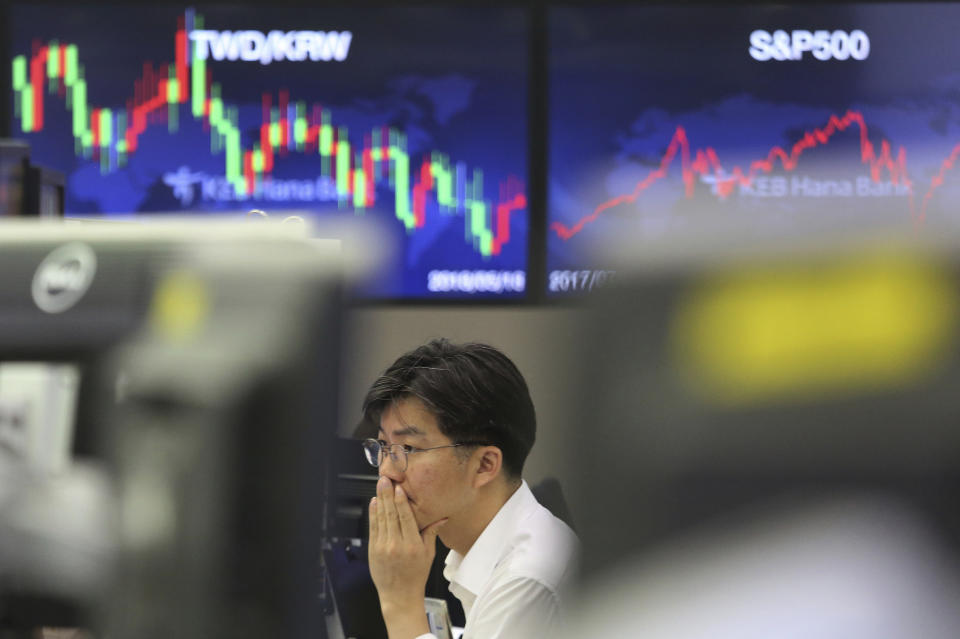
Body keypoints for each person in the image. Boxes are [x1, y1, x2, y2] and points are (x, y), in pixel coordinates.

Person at [359, 338, 579, 639]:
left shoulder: (528, 578)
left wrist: (399, 602)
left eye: (408, 447)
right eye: (384, 446)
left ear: (485, 465)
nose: (386, 472)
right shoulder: (489, 552)